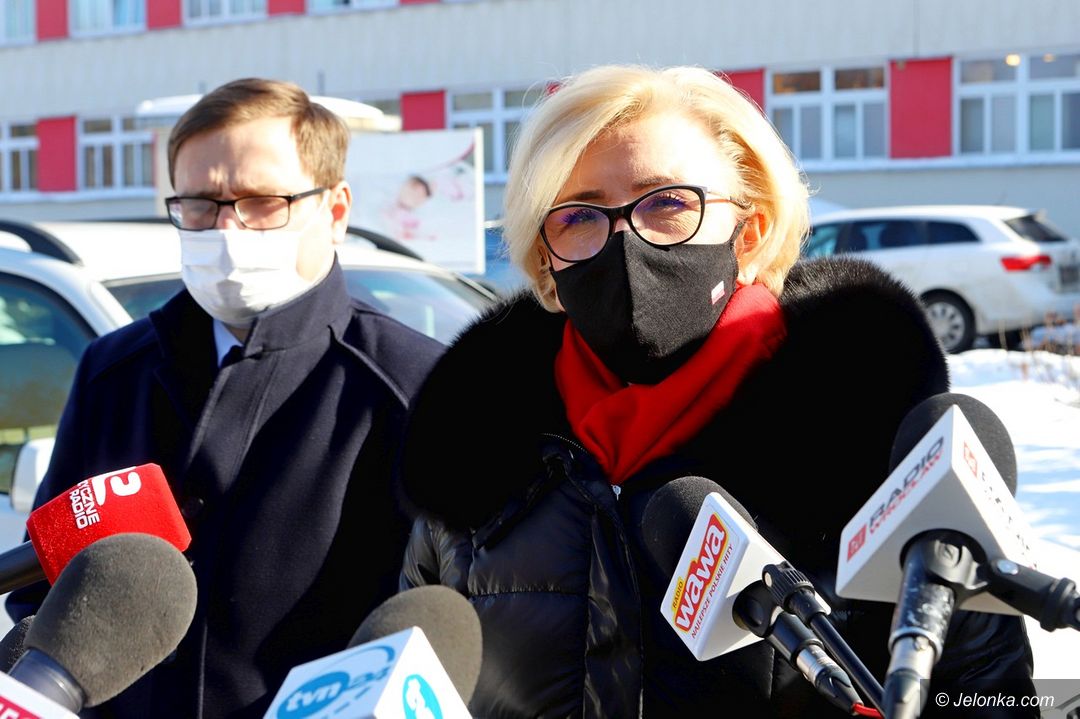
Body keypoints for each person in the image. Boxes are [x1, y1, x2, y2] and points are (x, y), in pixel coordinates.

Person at [397, 65, 1037, 717]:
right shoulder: (473, 465)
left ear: (750, 233)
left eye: (667, 203)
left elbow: (988, 694)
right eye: (580, 215)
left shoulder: (877, 448)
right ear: (547, 262)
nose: (626, 244)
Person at [6, 78, 444, 718]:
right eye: (200, 204)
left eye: (262, 202)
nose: (227, 229)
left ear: (335, 210)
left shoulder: (411, 386)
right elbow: (46, 583)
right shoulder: (113, 372)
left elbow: (443, 628)